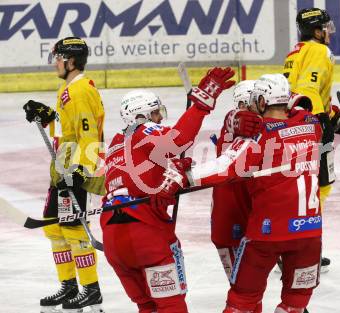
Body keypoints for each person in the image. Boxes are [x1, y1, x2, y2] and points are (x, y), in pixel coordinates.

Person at [160, 74, 323, 313]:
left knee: (242, 300)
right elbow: (301, 111)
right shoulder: (311, 125)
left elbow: (226, 165)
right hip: (310, 233)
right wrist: (233, 119)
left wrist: (183, 178)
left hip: (266, 234)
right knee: (295, 302)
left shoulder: (259, 133)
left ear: (260, 101)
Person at [100, 67, 237, 313]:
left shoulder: (115, 144)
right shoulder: (143, 131)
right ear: (140, 116)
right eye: (155, 113)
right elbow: (179, 139)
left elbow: (137, 175)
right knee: (170, 306)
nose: (159, 118)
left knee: (147, 307)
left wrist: (169, 168)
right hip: (144, 235)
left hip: (112, 238)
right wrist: (201, 104)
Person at [22, 37, 106, 312]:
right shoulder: (68, 88)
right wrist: (47, 116)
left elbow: (89, 134)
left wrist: (81, 170)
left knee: (74, 231)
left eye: (58, 58)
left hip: (75, 172)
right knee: (54, 228)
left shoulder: (81, 90)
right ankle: (69, 285)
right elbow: (66, 128)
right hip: (62, 170)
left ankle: (91, 290)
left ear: (70, 60)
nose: (55, 63)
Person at [283, 8, 340, 270]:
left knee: (301, 187)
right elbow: (309, 89)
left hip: (294, 125)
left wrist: (331, 113)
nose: (328, 32)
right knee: (319, 188)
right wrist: (321, 120)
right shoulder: (320, 51)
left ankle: (290, 247)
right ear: (315, 30)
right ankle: (305, 249)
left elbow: (298, 91)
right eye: (325, 27)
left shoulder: (296, 51)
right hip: (311, 127)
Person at [210, 80, 260, 281]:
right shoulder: (238, 124)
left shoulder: (255, 124)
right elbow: (234, 120)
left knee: (250, 284)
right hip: (230, 215)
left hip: (249, 208)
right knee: (241, 284)